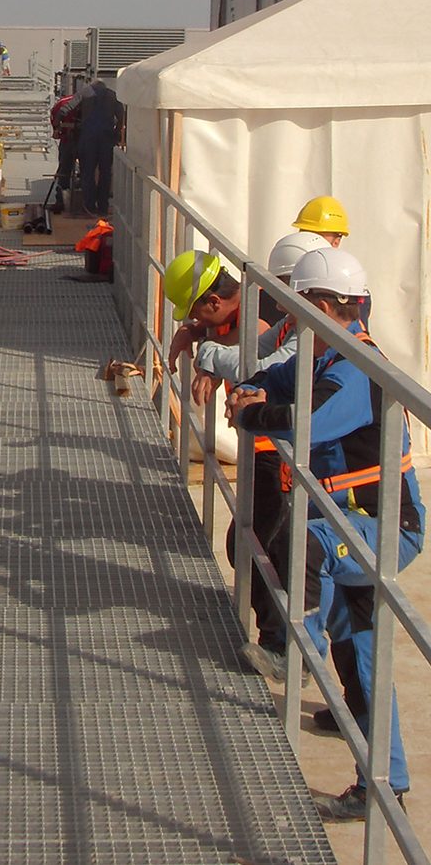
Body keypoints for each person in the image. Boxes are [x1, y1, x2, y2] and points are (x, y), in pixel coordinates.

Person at [226, 246, 424, 822]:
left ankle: (291, 652)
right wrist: (253, 389)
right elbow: (273, 379)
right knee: (358, 655)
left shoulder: (356, 369)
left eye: (298, 307)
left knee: (304, 543)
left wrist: (252, 412)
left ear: (325, 306)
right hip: (351, 527)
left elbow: (306, 423)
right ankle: (384, 785)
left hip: (384, 529)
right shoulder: (321, 355)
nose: (289, 321)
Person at [190, 232, 329, 676]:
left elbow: (261, 368)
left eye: (285, 288)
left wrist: (208, 355)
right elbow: (260, 364)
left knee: (277, 552)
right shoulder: (294, 327)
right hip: (296, 459)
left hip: (304, 464)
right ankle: (295, 653)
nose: (275, 298)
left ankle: (290, 652)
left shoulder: (312, 338)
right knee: (268, 549)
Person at [57, 79, 123, 215]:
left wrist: (58, 124)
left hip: (88, 139)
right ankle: (103, 207)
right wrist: (116, 133)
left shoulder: (84, 92)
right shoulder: (112, 95)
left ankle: (89, 206)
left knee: (87, 173)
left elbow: (65, 109)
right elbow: (122, 115)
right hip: (107, 139)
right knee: (105, 173)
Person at [49, 93, 80, 214]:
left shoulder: (63, 103)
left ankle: (61, 201)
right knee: (66, 172)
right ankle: (64, 201)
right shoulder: (64, 103)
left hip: (71, 141)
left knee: (64, 171)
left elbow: (55, 116)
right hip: (79, 141)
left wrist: (57, 129)